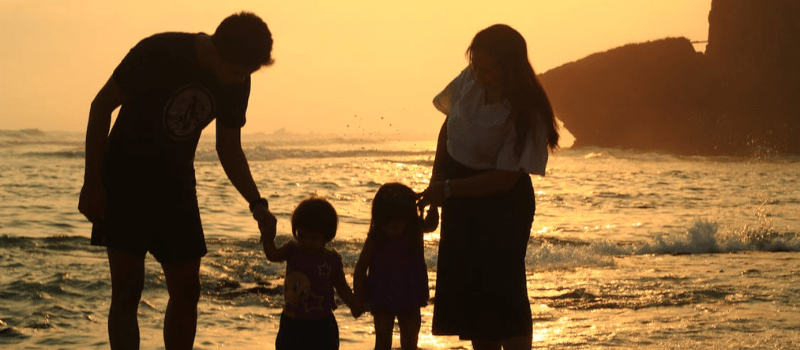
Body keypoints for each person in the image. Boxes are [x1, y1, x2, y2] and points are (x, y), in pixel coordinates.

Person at [77, 12, 277, 350]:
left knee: (187, 290)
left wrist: (258, 205)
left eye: (247, 73)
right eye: (236, 71)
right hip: (124, 181)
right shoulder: (159, 51)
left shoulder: (239, 78)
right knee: (127, 290)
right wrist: (92, 182)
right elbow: (101, 107)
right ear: (215, 51)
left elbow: (229, 148)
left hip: (177, 187)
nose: (238, 80)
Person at [416, 24, 560, 350]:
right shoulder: (470, 81)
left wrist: (449, 189)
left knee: (505, 291)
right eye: (476, 65)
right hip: (459, 195)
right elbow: (448, 130)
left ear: (510, 66)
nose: (480, 74)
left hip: (504, 205)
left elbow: (505, 177)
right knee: (473, 295)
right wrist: (437, 186)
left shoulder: (528, 111)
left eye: (489, 69)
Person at [260, 196, 365, 350]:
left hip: (322, 324)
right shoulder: (292, 250)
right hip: (292, 321)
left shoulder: (332, 260)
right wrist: (268, 239)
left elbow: (342, 287)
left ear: (327, 236)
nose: (307, 242)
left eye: (314, 238)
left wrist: (354, 304)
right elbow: (273, 255)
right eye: (302, 236)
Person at [353, 183, 438, 350]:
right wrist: (359, 297)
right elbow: (361, 267)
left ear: (408, 218)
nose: (393, 230)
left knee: (410, 343)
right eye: (389, 225)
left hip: (410, 295)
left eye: (398, 225)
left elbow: (432, 224)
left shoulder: (415, 232)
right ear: (379, 221)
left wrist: (433, 203)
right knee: (383, 342)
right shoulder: (375, 239)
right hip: (382, 295)